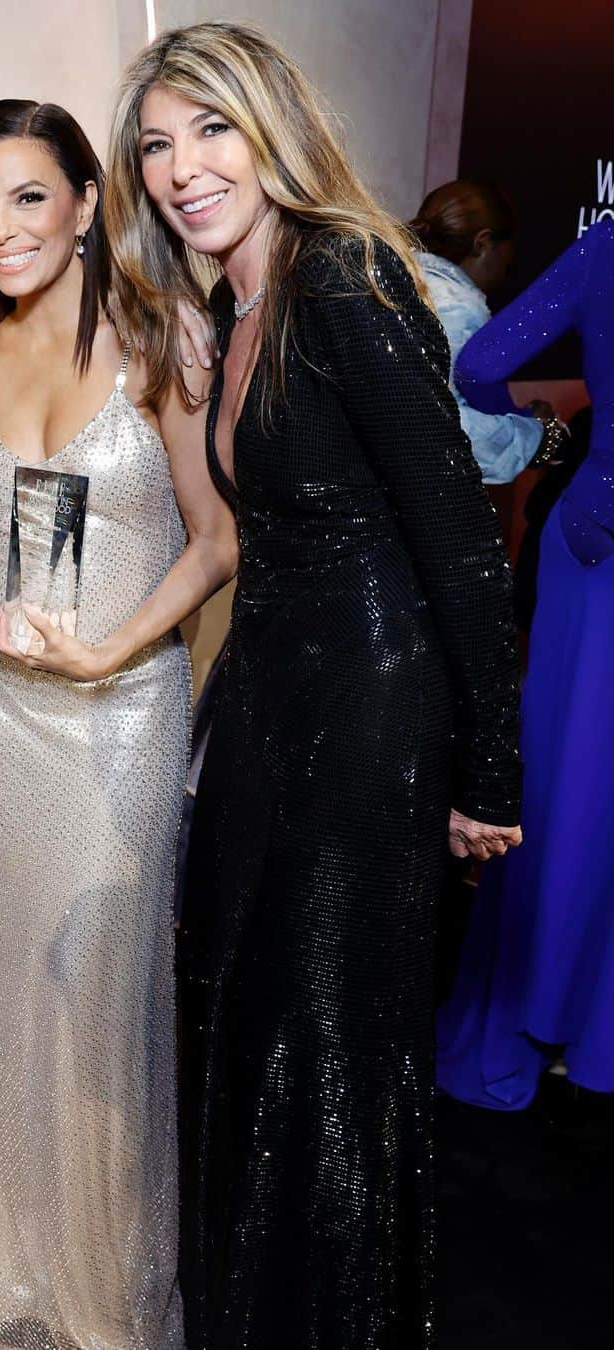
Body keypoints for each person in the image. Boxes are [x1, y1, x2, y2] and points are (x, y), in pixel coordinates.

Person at [106, 22, 523, 1348]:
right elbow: (250, 542)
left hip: (371, 714)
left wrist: (485, 770)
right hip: (271, 707)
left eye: (211, 129)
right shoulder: (235, 301)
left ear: (274, 123)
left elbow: (458, 536)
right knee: (245, 1012)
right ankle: (252, 1303)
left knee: (332, 1055)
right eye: (158, 146)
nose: (182, 168)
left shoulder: (346, 273)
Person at [0, 98, 237, 1349]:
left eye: (27, 198)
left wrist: (114, 645)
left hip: (118, 718)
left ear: (90, 201)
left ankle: (97, 1280)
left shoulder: (167, 341)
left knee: (92, 996)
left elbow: (218, 542)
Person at [438, 220, 614, 1110]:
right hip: (597, 551)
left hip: (596, 547)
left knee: (566, 789)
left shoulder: (609, 245)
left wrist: (538, 420)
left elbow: (475, 368)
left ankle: (524, 1025)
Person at [411, 180, 566, 483]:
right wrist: (539, 435)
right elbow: (439, 428)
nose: (511, 261)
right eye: (510, 246)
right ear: (483, 243)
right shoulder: (457, 310)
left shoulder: (400, 280)